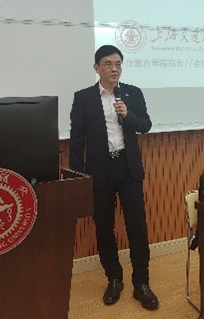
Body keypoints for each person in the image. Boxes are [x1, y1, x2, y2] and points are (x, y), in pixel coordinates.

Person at [69, 44, 159, 311]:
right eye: (108, 64)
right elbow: (76, 140)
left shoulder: (132, 93)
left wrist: (127, 115)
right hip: (99, 171)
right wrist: (78, 176)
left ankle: (141, 283)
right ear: (96, 68)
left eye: (118, 64)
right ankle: (114, 279)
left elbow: (145, 125)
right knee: (104, 227)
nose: (114, 69)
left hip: (128, 169)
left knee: (137, 227)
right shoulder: (83, 98)